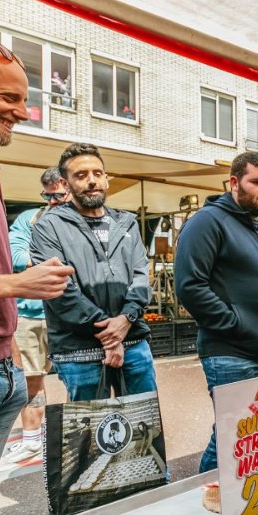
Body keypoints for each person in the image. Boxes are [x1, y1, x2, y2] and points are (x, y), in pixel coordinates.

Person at [174, 151, 258, 472]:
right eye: (256, 181)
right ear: (234, 182)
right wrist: (236, 324)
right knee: (232, 438)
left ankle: (248, 503)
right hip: (233, 354)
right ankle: (205, 500)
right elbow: (190, 286)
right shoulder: (206, 222)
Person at [0, 43, 73, 485]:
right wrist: (21, 282)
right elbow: (20, 264)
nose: (22, 113)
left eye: (24, 99)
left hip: (3, 364)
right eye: (8, 98)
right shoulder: (32, 218)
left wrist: (10, 357)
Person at [30, 142, 157, 402]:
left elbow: (142, 276)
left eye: (97, 173)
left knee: (144, 431)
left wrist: (126, 319)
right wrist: (111, 337)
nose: (91, 181)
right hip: (79, 350)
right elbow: (60, 291)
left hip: (133, 341)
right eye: (81, 175)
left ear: (106, 179)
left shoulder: (127, 223)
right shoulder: (48, 228)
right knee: (86, 437)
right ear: (65, 184)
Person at [3, 167, 70, 465]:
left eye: (60, 194)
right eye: (48, 195)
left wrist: (37, 261)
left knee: (79, 377)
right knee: (31, 380)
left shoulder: (82, 220)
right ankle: (32, 441)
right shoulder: (29, 218)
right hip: (31, 315)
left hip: (69, 315)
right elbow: (13, 255)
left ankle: (76, 437)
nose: (54, 200)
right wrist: (55, 260)